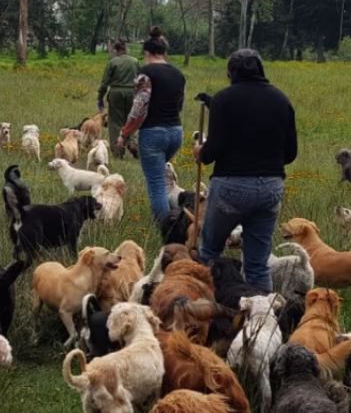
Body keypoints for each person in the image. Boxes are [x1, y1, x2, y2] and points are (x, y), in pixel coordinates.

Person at [194, 49, 298, 290]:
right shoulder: (282, 100)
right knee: (258, 264)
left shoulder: (223, 99)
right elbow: (290, 154)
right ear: (261, 70)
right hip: (271, 187)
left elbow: (212, 152)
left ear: (231, 72)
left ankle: (205, 312)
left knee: (208, 253)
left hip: (231, 186)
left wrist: (200, 152)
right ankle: (263, 321)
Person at [116, 27, 185, 226]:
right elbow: (180, 105)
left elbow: (140, 107)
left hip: (153, 133)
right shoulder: (178, 74)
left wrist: (125, 133)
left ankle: (166, 228)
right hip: (176, 132)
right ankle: (176, 218)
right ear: (164, 52)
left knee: (156, 185)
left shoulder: (145, 73)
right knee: (161, 178)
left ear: (147, 53)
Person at [96, 39, 139, 157]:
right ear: (126, 48)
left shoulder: (112, 62)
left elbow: (105, 83)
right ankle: (133, 143)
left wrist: (100, 97)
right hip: (132, 92)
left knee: (115, 122)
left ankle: (117, 149)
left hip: (116, 92)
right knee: (132, 119)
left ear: (116, 50)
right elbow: (140, 79)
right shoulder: (135, 61)